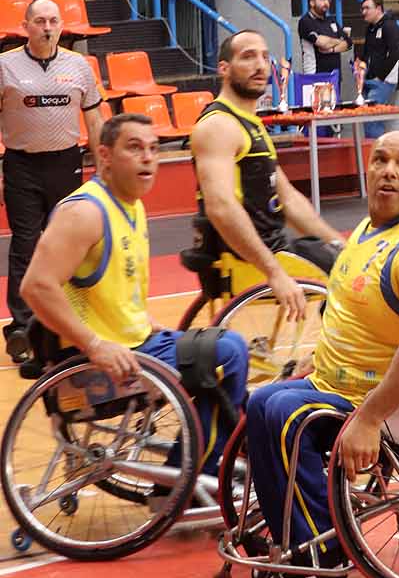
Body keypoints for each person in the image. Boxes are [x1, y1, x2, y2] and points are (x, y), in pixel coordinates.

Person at [244, 130, 399, 570]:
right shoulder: (368, 230)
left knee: (285, 413)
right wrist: (318, 360)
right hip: (340, 384)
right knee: (261, 399)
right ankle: (292, 530)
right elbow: (350, 315)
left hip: (392, 405)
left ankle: (323, 548)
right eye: (380, 159)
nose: (388, 171)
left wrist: (370, 417)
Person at [20, 112, 247, 475]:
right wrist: (94, 345)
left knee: (230, 365)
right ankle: (188, 481)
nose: (148, 158)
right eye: (135, 148)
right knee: (229, 354)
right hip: (101, 361)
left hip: (134, 341)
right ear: (105, 156)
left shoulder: (131, 205)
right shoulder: (85, 212)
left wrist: (143, 319)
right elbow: (35, 287)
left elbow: (108, 288)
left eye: (154, 149)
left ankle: (217, 453)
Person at [188, 30, 344, 303]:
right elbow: (220, 206)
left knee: (348, 262)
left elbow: (289, 200)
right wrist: (273, 272)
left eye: (264, 56)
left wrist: (340, 244)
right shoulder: (218, 126)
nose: (260, 65)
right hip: (246, 260)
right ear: (224, 68)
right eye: (248, 57)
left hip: (275, 249)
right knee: (357, 284)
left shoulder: (251, 124)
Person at [0, 0, 104, 368]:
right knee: (27, 243)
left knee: (70, 244)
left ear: (62, 26)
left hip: (66, 163)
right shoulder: (5, 66)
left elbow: (94, 121)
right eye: (40, 20)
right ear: (25, 26)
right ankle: (23, 327)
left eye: (53, 21)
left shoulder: (78, 66)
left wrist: (103, 170)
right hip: (21, 165)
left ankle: (68, 323)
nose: (47, 27)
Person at [355, 0, 399, 139]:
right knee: (367, 120)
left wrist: (380, 76)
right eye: (362, 8)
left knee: (373, 120)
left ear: (378, 9)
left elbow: (394, 54)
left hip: (382, 81)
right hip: (368, 79)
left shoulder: (390, 26)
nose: (363, 12)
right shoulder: (370, 28)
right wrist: (360, 63)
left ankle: (377, 155)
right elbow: (368, 52)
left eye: (367, 8)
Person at [297, 0, 350, 79]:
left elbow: (348, 43)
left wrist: (332, 50)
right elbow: (322, 43)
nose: (326, 3)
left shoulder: (331, 20)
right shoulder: (306, 21)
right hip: (315, 75)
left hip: (334, 76)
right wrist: (339, 41)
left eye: (328, 0)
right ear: (312, 2)